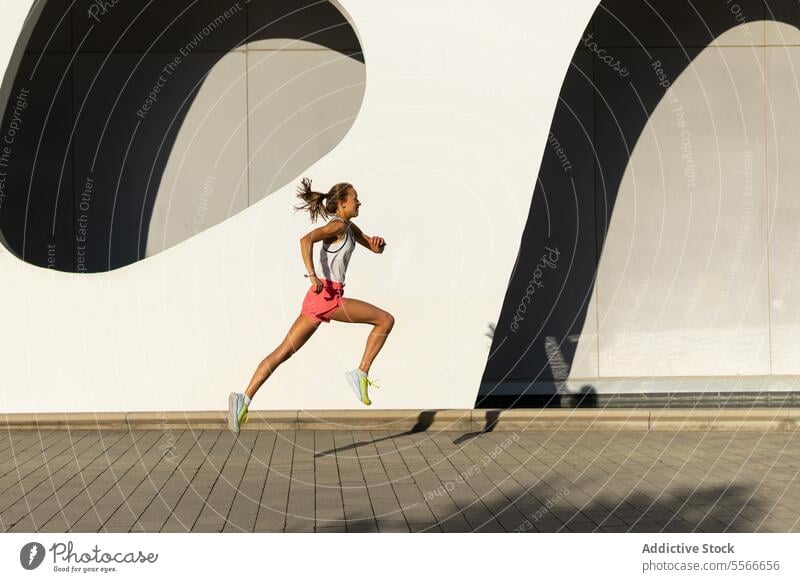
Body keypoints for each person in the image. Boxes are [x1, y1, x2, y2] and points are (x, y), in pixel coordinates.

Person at [227, 177, 394, 434]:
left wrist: (378, 245)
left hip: (317, 301)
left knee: (284, 351)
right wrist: (312, 274)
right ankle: (360, 373)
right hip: (328, 296)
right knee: (385, 320)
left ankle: (243, 398)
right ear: (341, 203)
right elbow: (305, 240)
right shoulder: (337, 226)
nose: (360, 202)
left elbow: (373, 248)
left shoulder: (350, 227)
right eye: (355, 198)